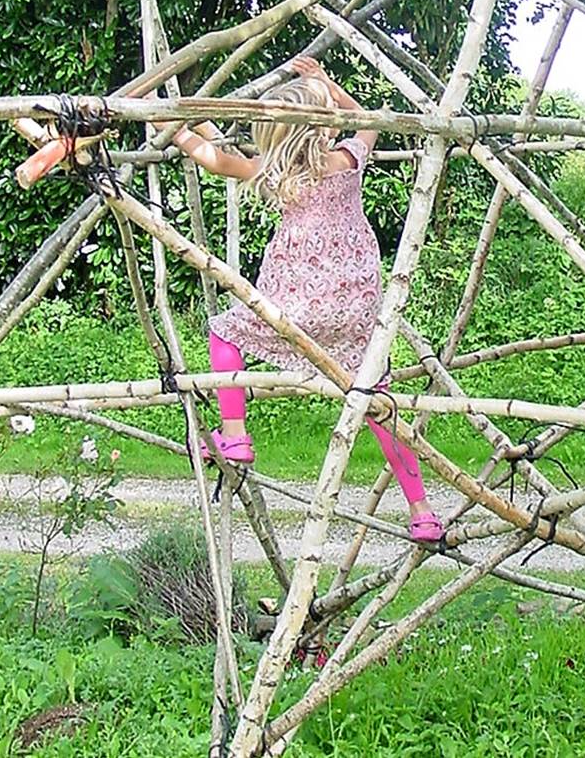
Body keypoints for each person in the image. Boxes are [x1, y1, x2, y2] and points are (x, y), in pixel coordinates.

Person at [164, 56, 443, 543]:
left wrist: (173, 130)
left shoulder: (273, 174)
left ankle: (235, 433)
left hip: (297, 307)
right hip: (356, 310)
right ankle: (422, 511)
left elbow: (213, 159)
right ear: (323, 127)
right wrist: (325, 84)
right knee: (379, 404)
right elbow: (367, 120)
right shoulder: (347, 162)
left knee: (224, 332)